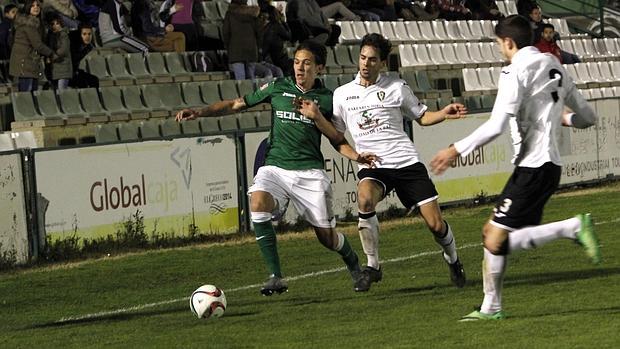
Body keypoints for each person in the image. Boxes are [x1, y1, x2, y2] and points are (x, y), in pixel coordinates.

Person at [430, 15, 601, 321]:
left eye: (499, 43)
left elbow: (496, 125)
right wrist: (565, 118)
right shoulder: (554, 63)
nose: (499, 49)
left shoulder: (514, 71)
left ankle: (572, 228)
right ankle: (490, 307)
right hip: (549, 167)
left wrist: (455, 149)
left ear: (508, 43)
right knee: (494, 237)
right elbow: (589, 117)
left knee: (495, 240)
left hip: (532, 167)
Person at [175, 40, 374, 295]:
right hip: (275, 168)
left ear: (320, 68)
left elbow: (337, 139)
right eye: (296, 62)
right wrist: (200, 112)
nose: (300, 68)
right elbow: (236, 104)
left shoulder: (327, 99)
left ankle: (354, 264)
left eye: (307, 63)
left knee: (327, 237)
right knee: (257, 202)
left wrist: (352, 152)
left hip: (309, 173)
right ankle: (275, 276)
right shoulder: (279, 87)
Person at [298, 33, 468, 292]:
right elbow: (336, 134)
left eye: (372, 59)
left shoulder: (397, 87)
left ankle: (453, 259)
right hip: (374, 164)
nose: (365, 64)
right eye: (363, 58)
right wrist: (317, 117)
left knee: (435, 224)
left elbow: (422, 118)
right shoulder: (343, 95)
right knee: (364, 199)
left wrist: (444, 113)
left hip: (406, 162)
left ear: (382, 63)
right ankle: (373, 266)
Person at [9, 0, 58, 92]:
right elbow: (38, 45)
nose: (36, 7)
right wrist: (52, 54)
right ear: (28, 8)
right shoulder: (28, 24)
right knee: (27, 96)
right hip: (25, 63)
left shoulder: (36, 24)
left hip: (30, 62)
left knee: (32, 93)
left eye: (38, 5)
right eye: (33, 5)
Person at [222, 0, 262, 80]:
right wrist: (258, 47)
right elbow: (259, 32)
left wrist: (227, 47)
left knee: (241, 81)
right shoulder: (253, 14)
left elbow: (226, 32)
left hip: (236, 50)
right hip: (251, 50)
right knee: (251, 80)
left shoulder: (230, 14)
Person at [46, 13, 72, 89]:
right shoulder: (51, 36)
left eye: (57, 23)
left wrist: (51, 57)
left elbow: (64, 50)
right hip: (55, 69)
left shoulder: (63, 35)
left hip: (63, 68)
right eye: (52, 24)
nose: (55, 26)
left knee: (62, 93)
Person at [69, 22, 99, 88]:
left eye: (89, 34)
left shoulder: (88, 46)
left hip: (74, 71)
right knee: (82, 82)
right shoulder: (72, 44)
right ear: (80, 35)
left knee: (94, 80)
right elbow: (73, 59)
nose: (87, 37)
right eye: (84, 34)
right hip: (65, 73)